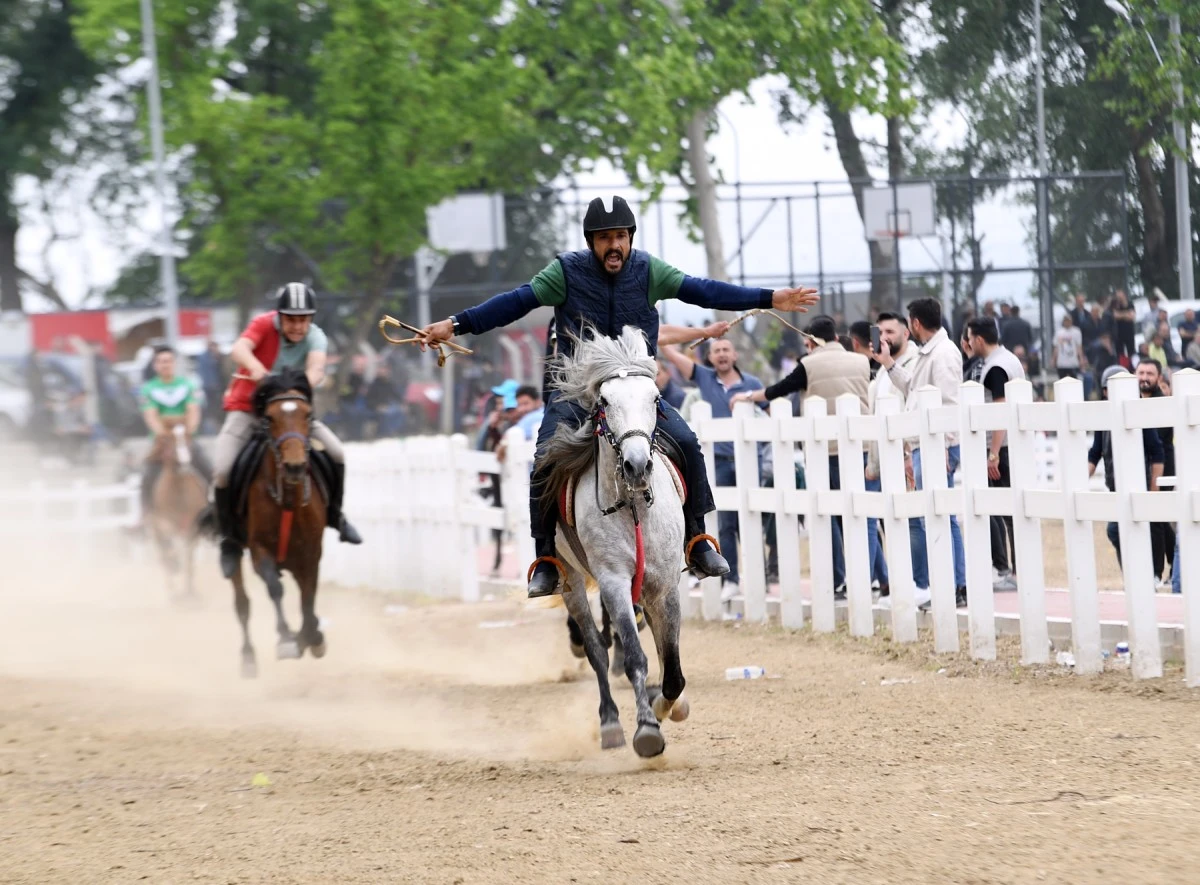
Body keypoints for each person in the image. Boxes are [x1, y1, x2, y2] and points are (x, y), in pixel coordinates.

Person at [415, 195, 820, 598]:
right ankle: (547, 561)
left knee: (688, 443)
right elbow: (515, 302)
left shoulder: (649, 271)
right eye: (606, 237)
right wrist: (456, 324)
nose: (615, 245)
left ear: (630, 238)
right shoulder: (565, 273)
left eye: (622, 236)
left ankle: (696, 539)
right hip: (579, 390)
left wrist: (770, 299)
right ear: (592, 241)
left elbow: (704, 291)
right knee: (542, 459)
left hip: (636, 389)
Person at [211, 283, 362, 578]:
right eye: (291, 319)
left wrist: (299, 387)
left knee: (337, 452)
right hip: (248, 410)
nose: (297, 326)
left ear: (312, 319)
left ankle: (336, 516)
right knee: (222, 470)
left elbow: (317, 368)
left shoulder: (316, 337)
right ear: (279, 317)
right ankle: (229, 540)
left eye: (304, 319)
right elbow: (239, 349)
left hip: (292, 415)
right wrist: (260, 374)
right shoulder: (262, 324)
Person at [731, 315, 870, 597]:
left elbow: (778, 390)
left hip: (824, 451)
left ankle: (837, 578)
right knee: (860, 514)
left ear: (812, 340)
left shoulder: (809, 364)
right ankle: (870, 577)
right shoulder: (861, 361)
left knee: (828, 515)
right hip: (861, 448)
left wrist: (747, 396)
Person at [872, 298, 967, 609]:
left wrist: (941, 447)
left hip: (935, 445)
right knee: (935, 516)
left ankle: (955, 585)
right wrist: (888, 363)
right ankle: (950, 585)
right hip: (924, 445)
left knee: (942, 517)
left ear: (914, 324)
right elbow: (913, 389)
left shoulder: (943, 354)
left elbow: (950, 405)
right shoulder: (933, 353)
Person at [662, 335, 771, 597]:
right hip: (720, 463)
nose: (722, 354)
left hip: (750, 460)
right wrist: (695, 333)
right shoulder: (704, 378)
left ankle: (761, 578)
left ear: (734, 356)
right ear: (709, 357)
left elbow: (769, 416)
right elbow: (671, 354)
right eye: (716, 350)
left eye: (726, 349)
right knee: (725, 522)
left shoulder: (753, 384)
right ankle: (731, 580)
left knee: (755, 520)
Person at [966, 318, 1026, 592]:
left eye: (969, 338)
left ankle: (1009, 570)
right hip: (1014, 443)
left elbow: (999, 409)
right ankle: (1017, 569)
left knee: (999, 510)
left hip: (1000, 447)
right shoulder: (1010, 359)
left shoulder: (994, 368)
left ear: (978, 339)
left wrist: (993, 453)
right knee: (1011, 509)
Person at [1089, 366, 1164, 568]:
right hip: (1115, 485)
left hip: (1139, 481)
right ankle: (1135, 574)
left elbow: (1157, 451)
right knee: (1122, 530)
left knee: (1123, 529)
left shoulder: (1139, 413)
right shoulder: (1103, 417)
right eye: (1108, 389)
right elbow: (1095, 452)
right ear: (1104, 391)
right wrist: (1078, 482)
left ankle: (1149, 573)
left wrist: (1153, 488)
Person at [138, 345, 213, 524]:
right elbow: (151, 416)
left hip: (184, 437)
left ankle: (214, 510)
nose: (165, 365)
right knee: (148, 475)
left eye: (169, 361)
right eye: (161, 361)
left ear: (175, 363)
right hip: (162, 440)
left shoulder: (187, 385)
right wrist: (163, 433)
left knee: (207, 469)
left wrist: (188, 430)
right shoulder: (148, 389)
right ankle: (145, 515)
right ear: (155, 365)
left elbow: (193, 411)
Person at [1136, 359, 1175, 586]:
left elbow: (1157, 441)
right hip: (1139, 466)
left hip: (1163, 466)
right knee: (1157, 520)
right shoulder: (1131, 400)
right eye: (1141, 372)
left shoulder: (1164, 403)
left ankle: (1157, 573)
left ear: (1158, 378)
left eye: (1150, 373)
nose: (1144, 377)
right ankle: (1177, 565)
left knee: (1156, 519)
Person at [1053, 313, 1084, 381]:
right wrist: (1054, 359)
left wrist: (1081, 358)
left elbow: (1079, 346)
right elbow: (1056, 347)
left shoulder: (1076, 331)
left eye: (1068, 321)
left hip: (1073, 362)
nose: (1067, 322)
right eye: (1066, 321)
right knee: (1062, 380)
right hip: (1062, 362)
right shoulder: (1059, 332)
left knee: (1074, 380)